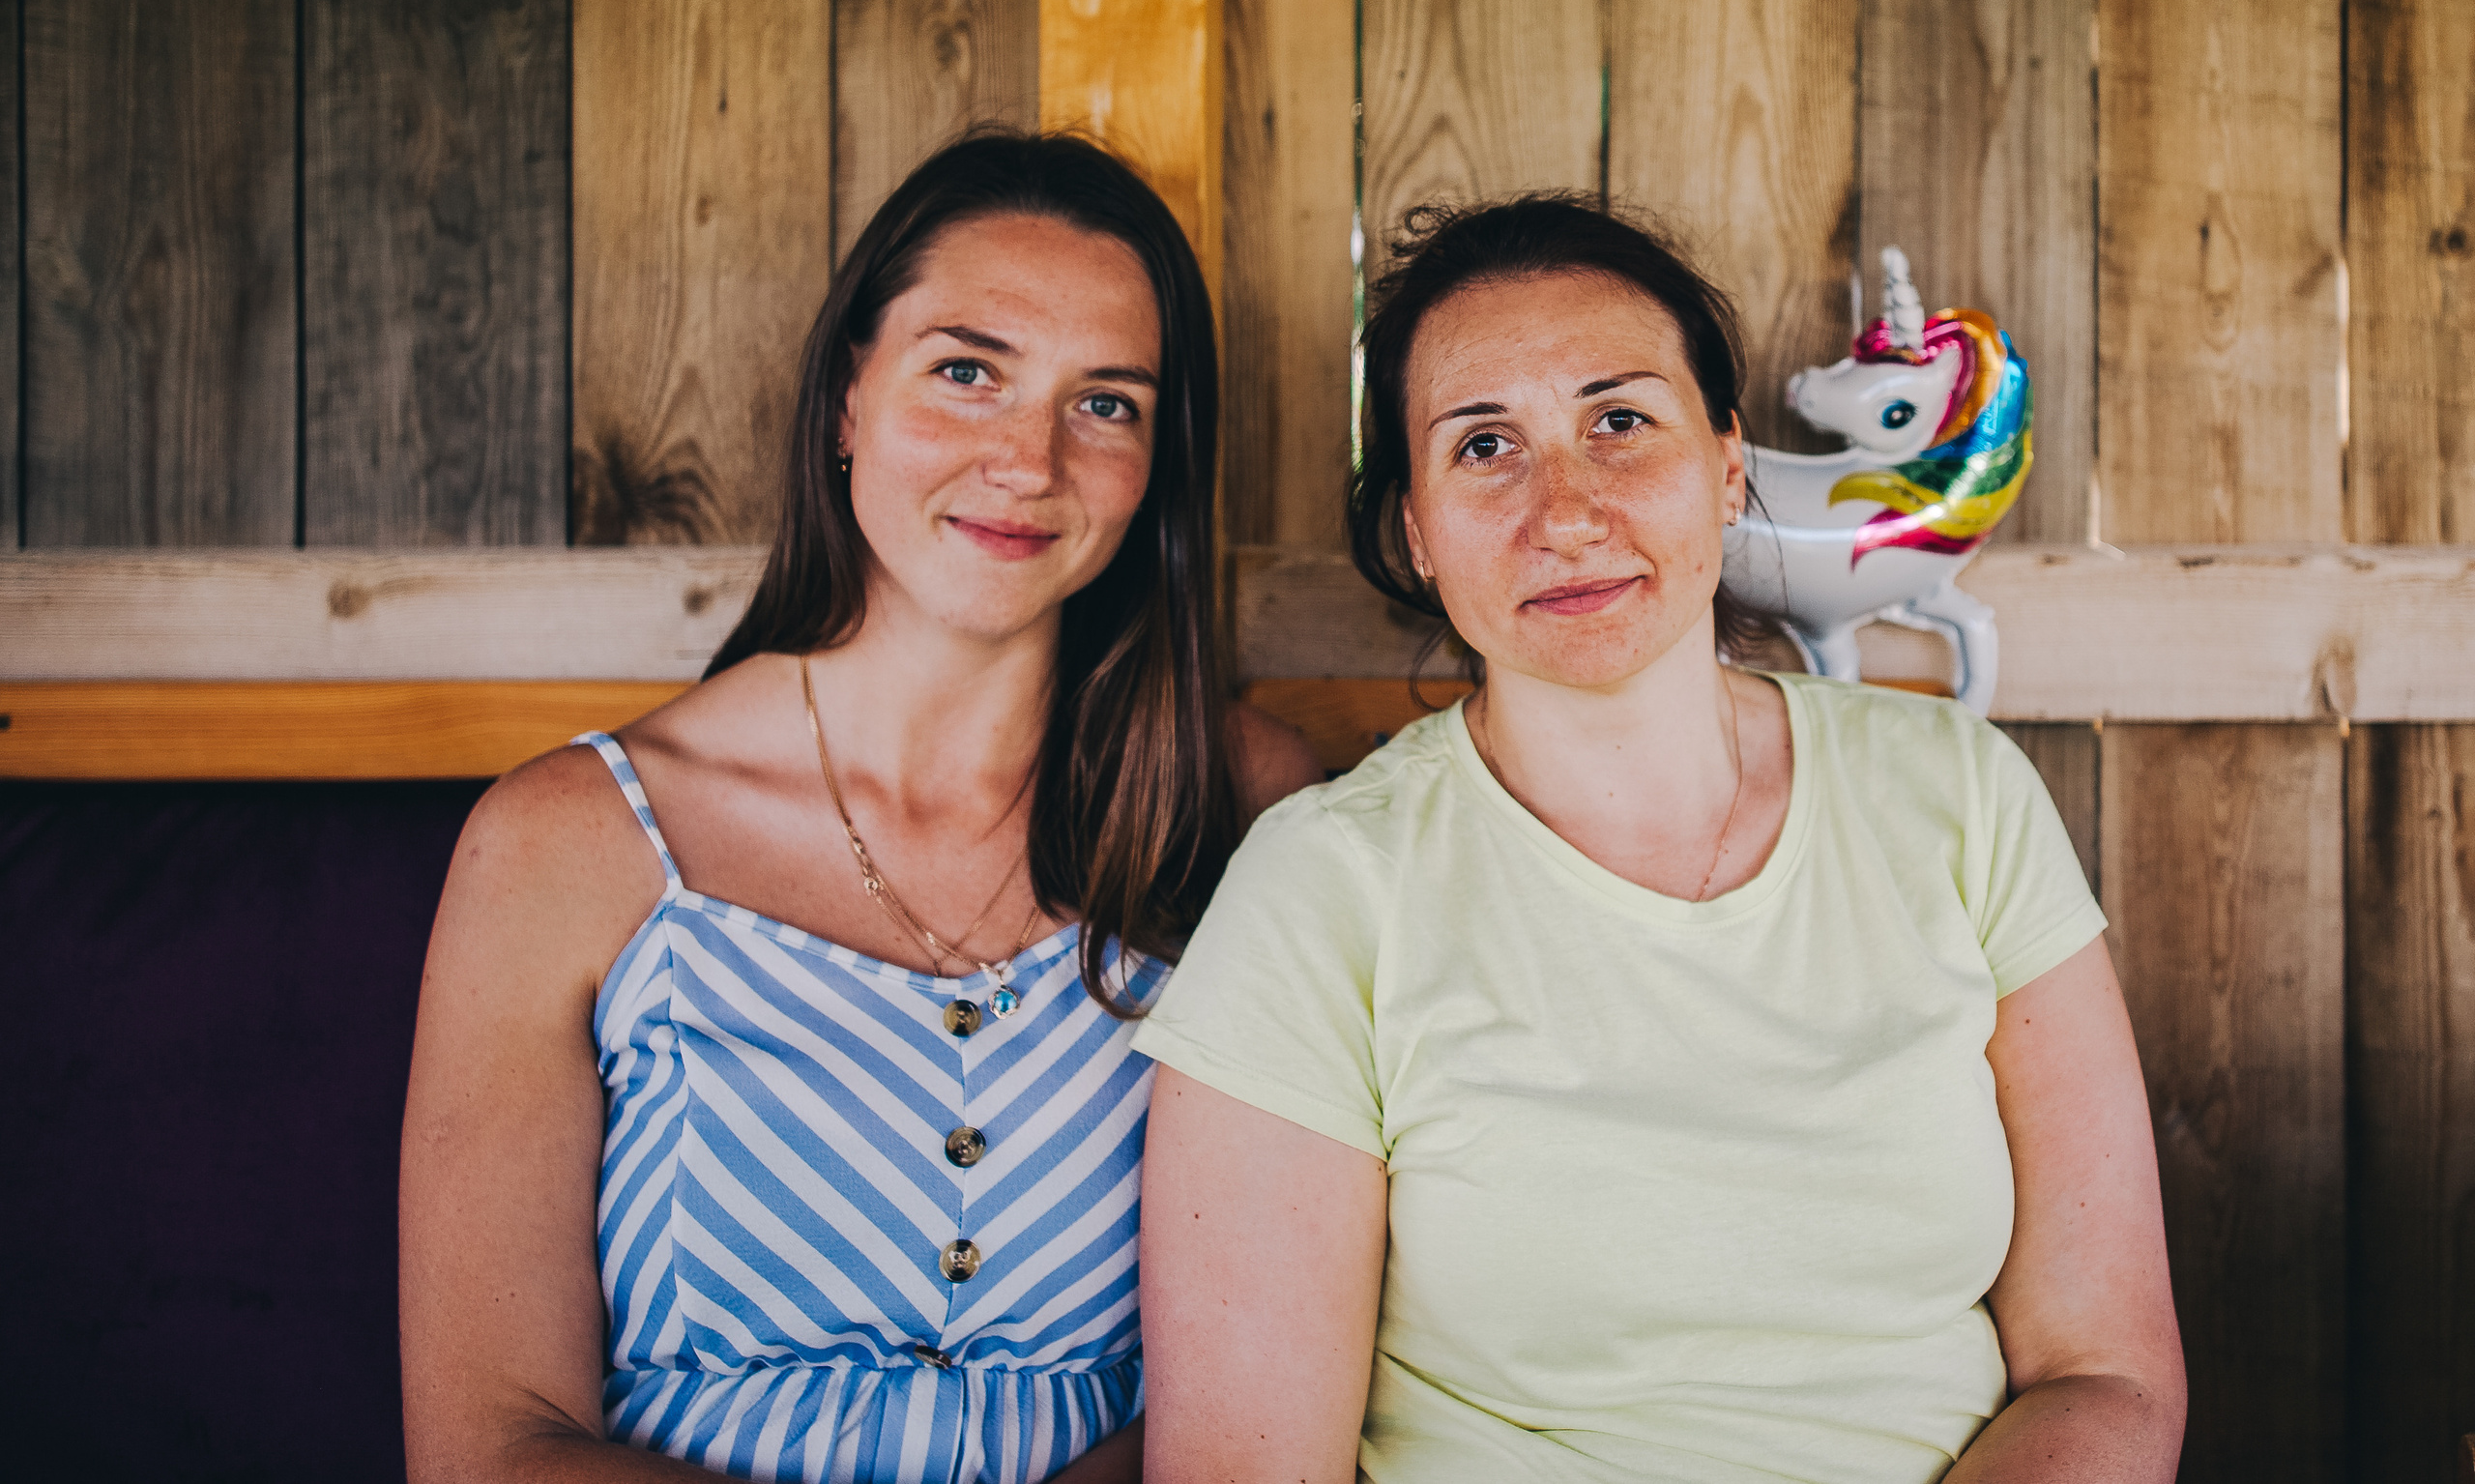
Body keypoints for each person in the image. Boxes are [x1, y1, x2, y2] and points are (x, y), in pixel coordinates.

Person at [1134, 198, 2184, 1482]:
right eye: (1483, 447)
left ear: (1729, 466)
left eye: (1619, 422)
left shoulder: (1959, 796)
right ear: (1415, 526)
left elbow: (2108, 1376)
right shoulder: (1324, 893)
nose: (1565, 510)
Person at [400, 131, 1322, 1484]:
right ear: (846, 399)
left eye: (1106, 403)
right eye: (966, 372)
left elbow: (1280, 1386)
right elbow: (490, 1448)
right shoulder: (567, 843)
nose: (1029, 459)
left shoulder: (1247, 810)